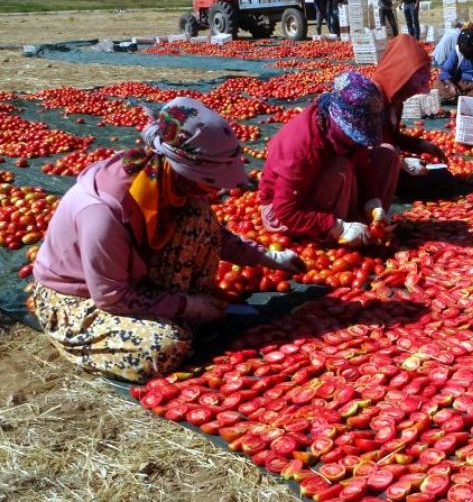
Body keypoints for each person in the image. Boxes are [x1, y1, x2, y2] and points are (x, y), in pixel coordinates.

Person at [30, 97, 307, 383]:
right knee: (163, 347)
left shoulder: (165, 182)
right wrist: (190, 306)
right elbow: (110, 296)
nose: (215, 192)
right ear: (185, 170)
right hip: (82, 299)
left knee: (197, 216)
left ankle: (181, 318)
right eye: (211, 182)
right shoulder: (103, 211)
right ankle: (79, 341)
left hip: (128, 283)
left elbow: (212, 234)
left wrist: (268, 258)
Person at [259, 72, 399, 246]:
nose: (358, 140)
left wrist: (374, 204)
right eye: (354, 132)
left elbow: (363, 166)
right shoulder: (301, 144)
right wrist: (337, 227)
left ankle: (369, 230)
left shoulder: (345, 136)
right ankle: (334, 234)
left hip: (329, 194)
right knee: (341, 168)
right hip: (284, 213)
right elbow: (285, 211)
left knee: (387, 154)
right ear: (337, 120)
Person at [372, 34, 449, 172]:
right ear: (399, 76)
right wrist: (401, 163)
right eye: (409, 88)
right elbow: (367, 148)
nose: (410, 95)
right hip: (373, 169)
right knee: (441, 181)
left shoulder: (396, 101)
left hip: (390, 160)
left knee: (441, 176)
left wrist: (420, 145)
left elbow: (394, 138)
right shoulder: (372, 99)